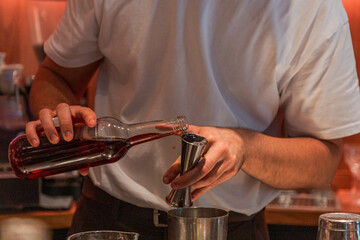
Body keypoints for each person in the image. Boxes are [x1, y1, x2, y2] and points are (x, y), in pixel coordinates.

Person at [25, 0, 360, 239]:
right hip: (111, 221)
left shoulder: (314, 9)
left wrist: (245, 148)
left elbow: (325, 159)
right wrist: (58, 116)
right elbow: (56, 76)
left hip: (234, 228)